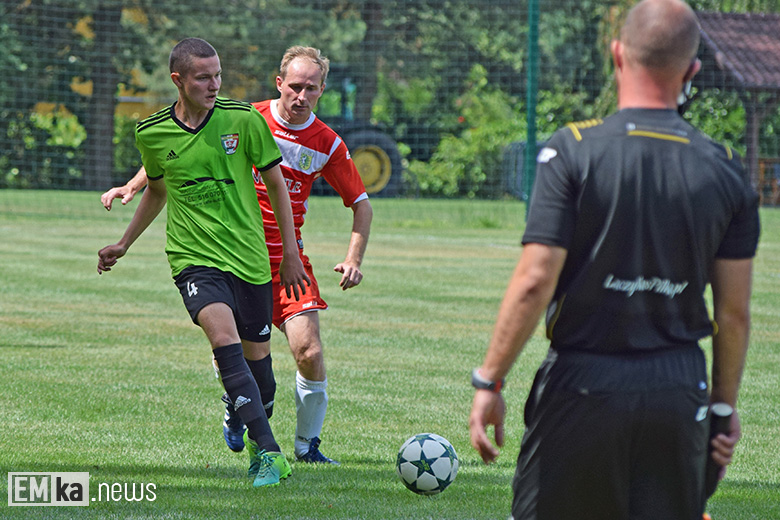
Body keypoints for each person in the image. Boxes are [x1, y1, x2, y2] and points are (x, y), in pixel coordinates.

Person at [468, 1, 760, 519]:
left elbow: (536, 280)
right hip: (678, 386)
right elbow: (733, 314)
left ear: (617, 54)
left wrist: (490, 381)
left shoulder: (573, 151)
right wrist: (720, 407)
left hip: (582, 381)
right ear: (693, 71)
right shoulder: (727, 169)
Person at [101, 46, 373, 465]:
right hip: (224, 252)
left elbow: (361, 204)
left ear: (322, 91)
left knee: (309, 352)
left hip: (284, 258)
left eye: (312, 89)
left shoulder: (327, 144)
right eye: (295, 87)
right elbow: (175, 153)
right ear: (279, 84)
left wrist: (353, 257)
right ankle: (249, 424)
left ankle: (307, 447)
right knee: (234, 352)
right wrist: (133, 186)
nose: (302, 97)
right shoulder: (244, 117)